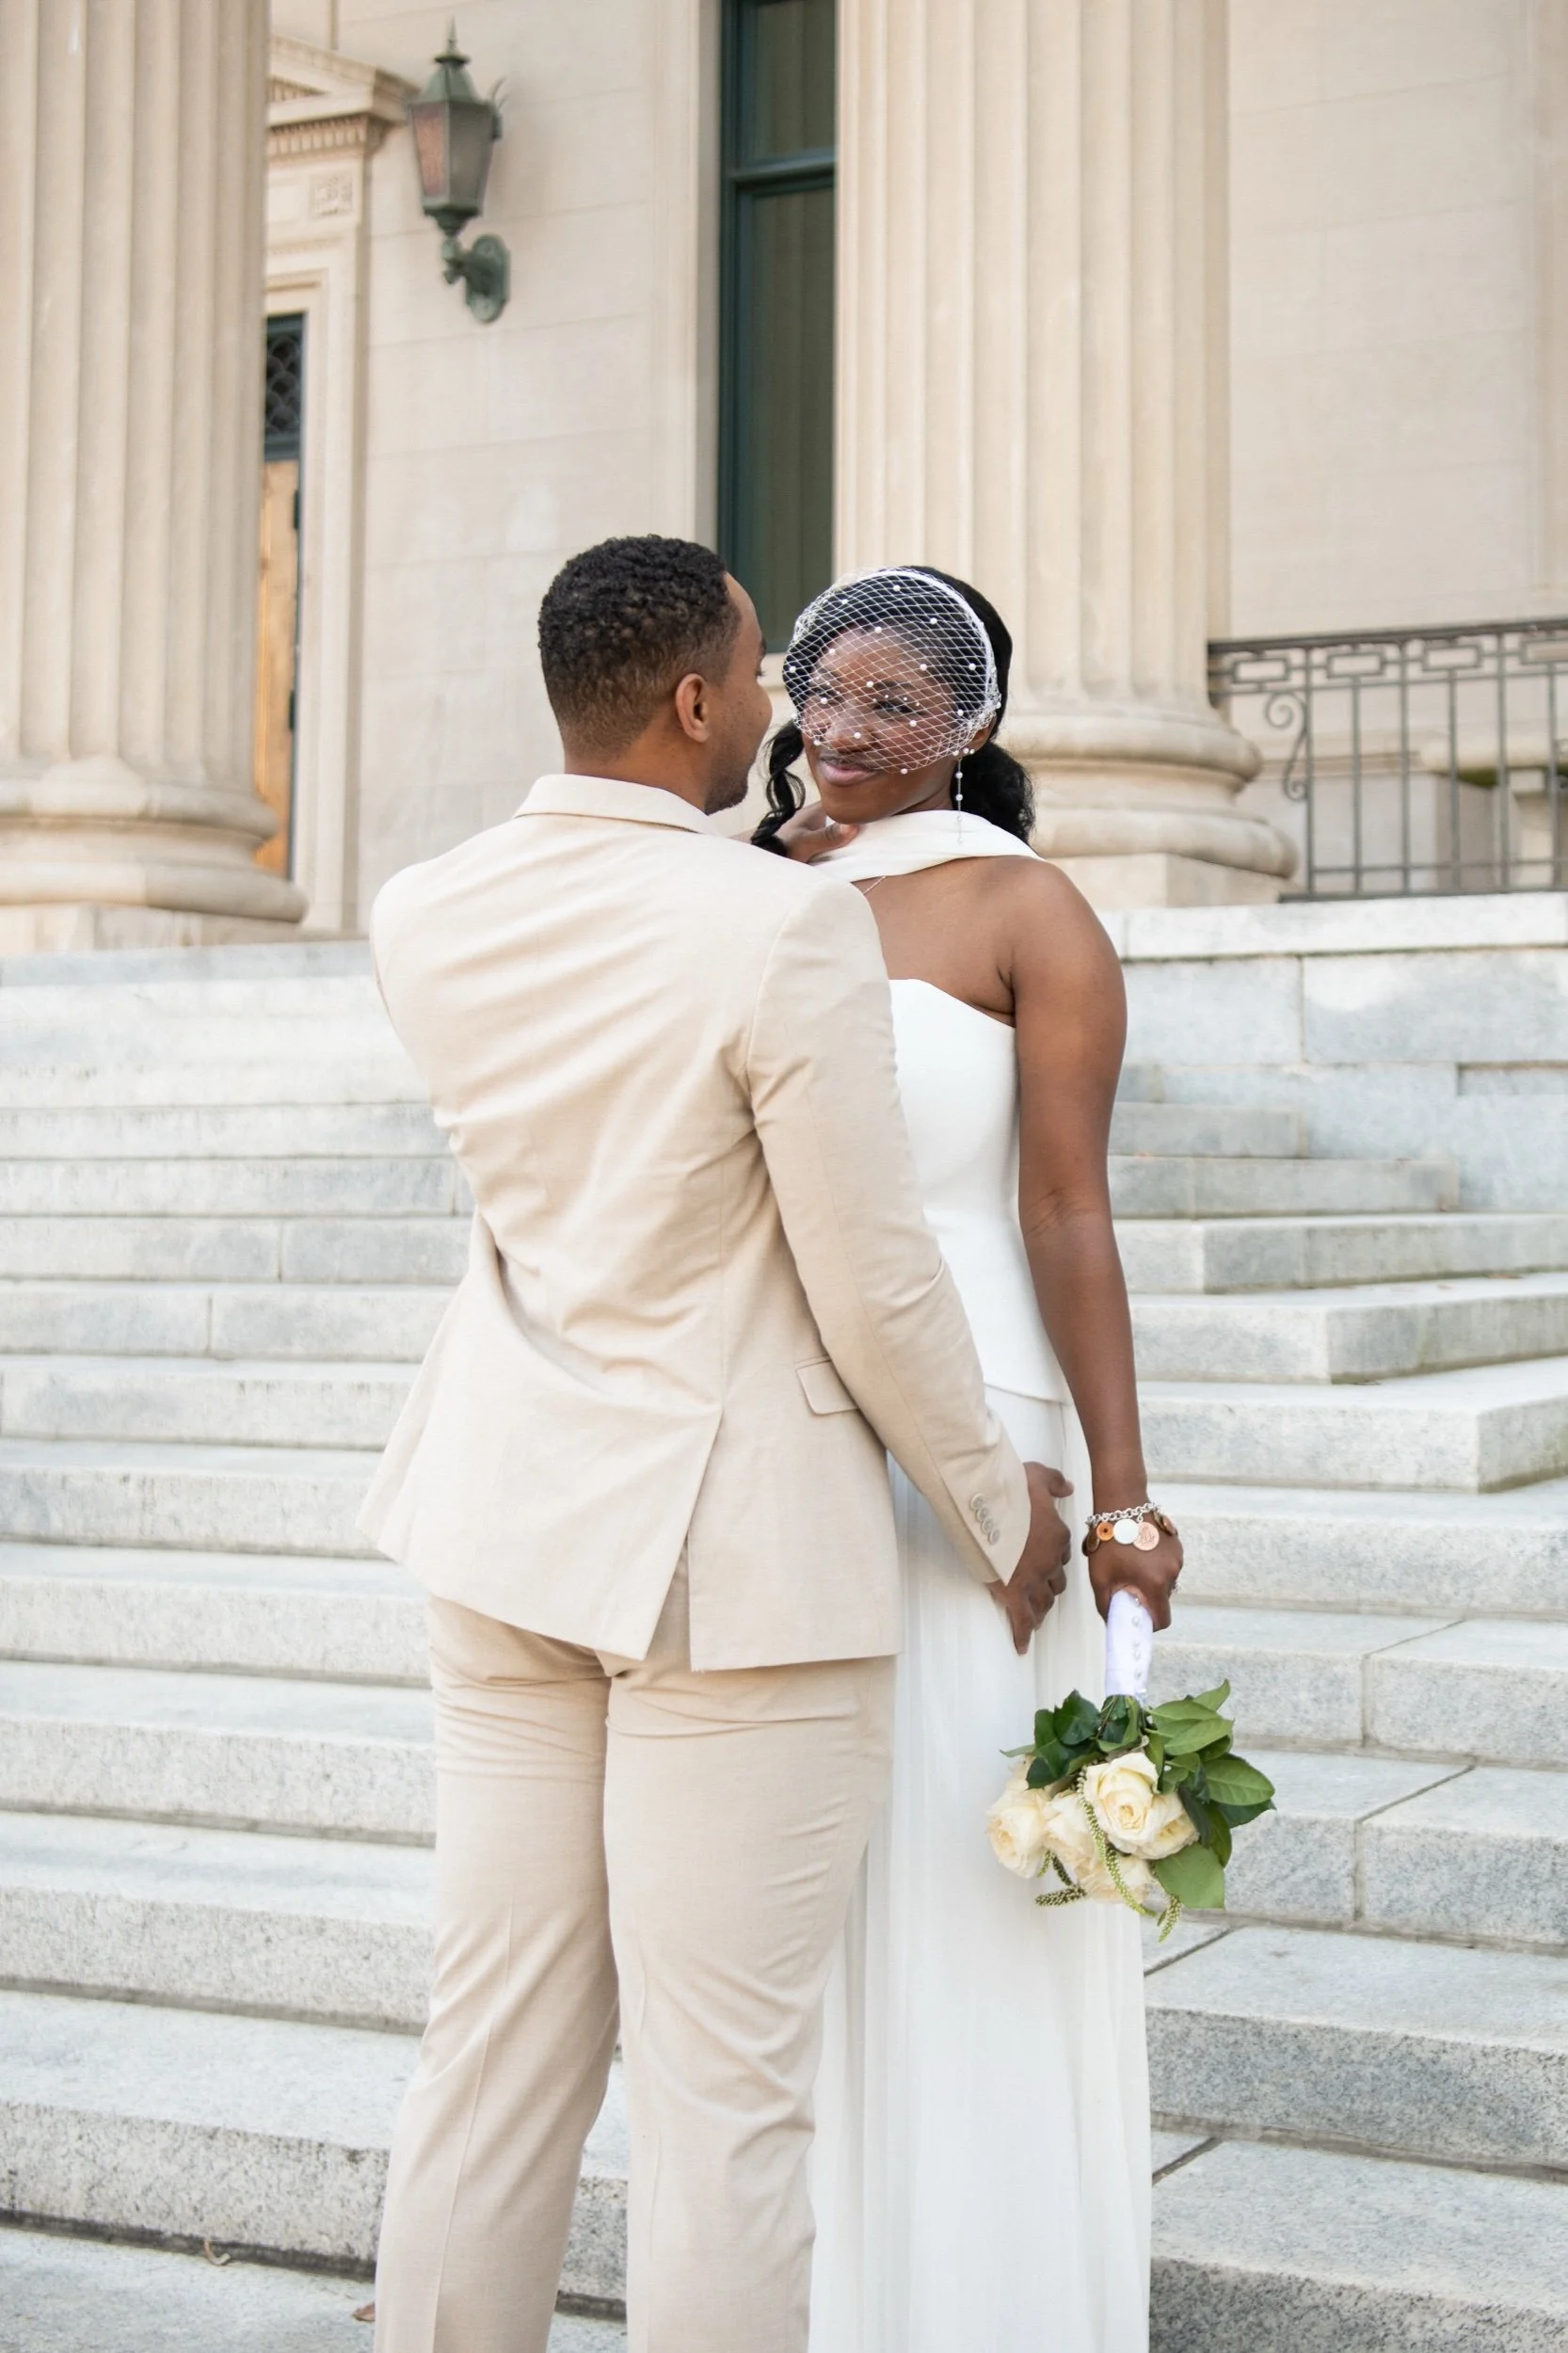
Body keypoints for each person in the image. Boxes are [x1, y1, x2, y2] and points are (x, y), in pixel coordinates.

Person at [356, 536, 1076, 2353]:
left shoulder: (421, 907)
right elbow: (871, 1278)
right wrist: (1003, 1507)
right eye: (763, 675)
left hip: (503, 1519)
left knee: (492, 2058)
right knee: (723, 2105)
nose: (776, 709)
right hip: (730, 1571)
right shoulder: (778, 922)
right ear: (694, 702)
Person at [753, 564, 1182, 2353]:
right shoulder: (736, 885)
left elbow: (1069, 1213)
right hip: (783, 1421)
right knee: (813, 1871)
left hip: (977, 1439)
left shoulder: (1028, 910)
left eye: (887, 706)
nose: (838, 734)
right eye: (815, 692)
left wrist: (1125, 1491)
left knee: (964, 1857)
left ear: (971, 730)